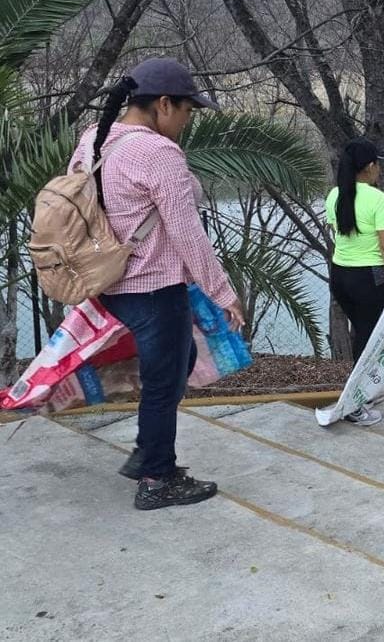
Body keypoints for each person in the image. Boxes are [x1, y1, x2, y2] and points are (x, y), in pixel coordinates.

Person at [68, 58, 245, 510]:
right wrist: (224, 294)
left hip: (110, 282)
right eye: (187, 110)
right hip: (153, 287)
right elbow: (188, 234)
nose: (188, 120)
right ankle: (156, 478)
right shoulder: (158, 153)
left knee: (179, 359)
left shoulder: (94, 138)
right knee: (165, 383)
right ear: (164, 104)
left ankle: (149, 450)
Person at [325, 137, 384, 425]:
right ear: (370, 167)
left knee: (362, 333)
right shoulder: (377, 199)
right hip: (367, 278)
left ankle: (365, 394)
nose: (378, 170)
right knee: (367, 341)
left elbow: (338, 232)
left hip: (340, 276)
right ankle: (355, 405)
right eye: (377, 165)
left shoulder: (334, 196)